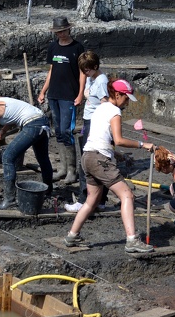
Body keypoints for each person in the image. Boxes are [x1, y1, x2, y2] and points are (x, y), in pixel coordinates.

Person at [64, 80, 155, 254]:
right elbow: (119, 140)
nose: (127, 103)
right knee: (127, 195)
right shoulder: (115, 111)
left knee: (91, 200)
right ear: (118, 95)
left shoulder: (101, 108)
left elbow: (101, 137)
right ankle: (132, 240)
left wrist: (117, 154)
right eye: (126, 98)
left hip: (87, 157)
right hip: (99, 159)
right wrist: (143, 145)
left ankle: (72, 235)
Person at [37, 17, 86, 185]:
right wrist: (44, 90)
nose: (61, 34)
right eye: (58, 32)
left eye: (63, 31)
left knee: (67, 131)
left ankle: (72, 170)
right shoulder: (53, 47)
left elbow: (82, 73)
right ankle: (62, 168)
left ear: (69, 30)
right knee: (57, 130)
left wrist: (80, 94)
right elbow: (51, 70)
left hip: (69, 96)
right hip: (54, 94)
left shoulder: (77, 47)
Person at [66, 51, 109, 213]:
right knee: (97, 160)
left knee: (87, 161)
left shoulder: (101, 82)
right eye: (83, 71)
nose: (85, 74)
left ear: (95, 67)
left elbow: (105, 104)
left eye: (87, 70)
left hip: (95, 123)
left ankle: (84, 199)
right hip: (89, 121)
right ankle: (100, 200)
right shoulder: (93, 79)